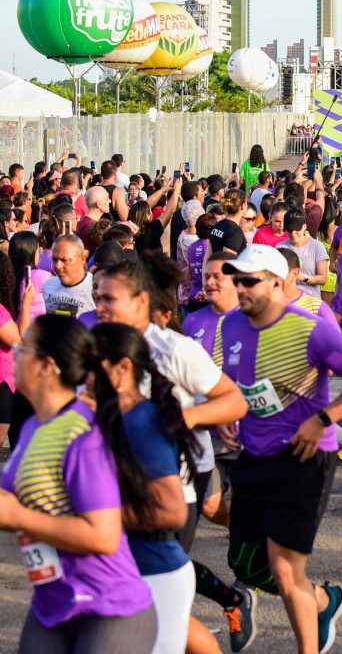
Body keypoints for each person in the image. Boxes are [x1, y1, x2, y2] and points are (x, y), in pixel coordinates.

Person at [219, 244, 342, 654]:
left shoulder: (309, 327)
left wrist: (324, 419)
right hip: (253, 454)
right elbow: (233, 382)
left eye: (249, 280)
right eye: (236, 279)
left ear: (277, 283)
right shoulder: (231, 326)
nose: (240, 287)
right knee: (245, 563)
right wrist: (227, 413)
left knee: (283, 566)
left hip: (304, 456)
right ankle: (325, 601)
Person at [0, 316, 158, 652]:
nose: (13, 353)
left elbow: (102, 535)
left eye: (22, 348)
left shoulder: (81, 434)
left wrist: (18, 518)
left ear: (47, 366)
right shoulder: (33, 428)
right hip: (52, 603)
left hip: (108, 608)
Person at [92, 322, 201, 654]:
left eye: (91, 365)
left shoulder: (143, 422)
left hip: (158, 575)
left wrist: (93, 519)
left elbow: (171, 511)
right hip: (127, 571)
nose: (83, 375)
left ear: (122, 368)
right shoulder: (111, 417)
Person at [41, 235, 95, 318]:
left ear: (82, 258)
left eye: (64, 260)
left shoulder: (96, 288)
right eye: (55, 259)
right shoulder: (48, 286)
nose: (58, 266)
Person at [280, 208, 329, 298]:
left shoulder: (317, 246)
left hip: (311, 301)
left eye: (297, 229)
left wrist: (304, 277)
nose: (293, 233)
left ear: (304, 227)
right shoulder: (280, 247)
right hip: (288, 301)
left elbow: (323, 279)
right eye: (290, 230)